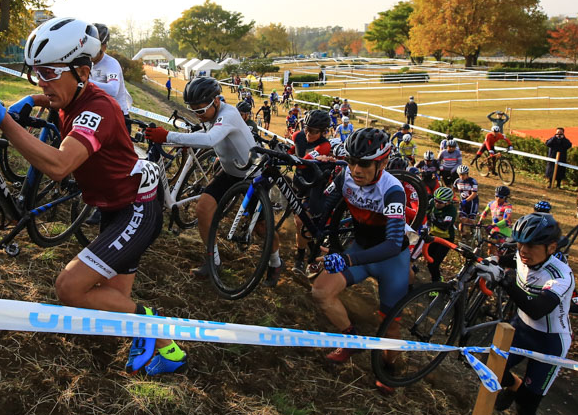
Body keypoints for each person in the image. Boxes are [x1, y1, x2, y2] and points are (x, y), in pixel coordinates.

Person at [0, 17, 186, 376]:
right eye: (34, 73)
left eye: (48, 73)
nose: (40, 82)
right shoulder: (71, 93)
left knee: (69, 288)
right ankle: (150, 333)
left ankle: (156, 331)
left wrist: (4, 119)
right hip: (118, 206)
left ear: (81, 71)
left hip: (136, 210)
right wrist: (25, 100)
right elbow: (51, 99)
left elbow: (61, 165)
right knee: (113, 301)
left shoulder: (99, 108)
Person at [145, 77, 279, 284]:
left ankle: (275, 262)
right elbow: (205, 132)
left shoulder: (230, 114)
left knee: (262, 228)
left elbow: (210, 140)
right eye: (193, 110)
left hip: (253, 174)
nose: (198, 116)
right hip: (230, 172)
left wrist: (168, 136)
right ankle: (213, 260)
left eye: (200, 111)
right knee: (203, 209)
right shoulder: (210, 114)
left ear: (216, 101)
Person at [313, 129, 410, 392]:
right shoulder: (346, 175)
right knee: (321, 292)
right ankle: (350, 339)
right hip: (361, 249)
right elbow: (326, 205)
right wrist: (319, 233)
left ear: (383, 163)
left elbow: (391, 244)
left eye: (364, 164)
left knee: (388, 327)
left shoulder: (392, 190)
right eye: (352, 161)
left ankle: (389, 369)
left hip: (392, 261)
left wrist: (347, 258)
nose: (356, 169)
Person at [494, 213, 575, 415]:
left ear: (552, 247)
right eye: (519, 243)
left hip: (549, 342)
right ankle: (513, 384)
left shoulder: (562, 275)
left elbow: (537, 309)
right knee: (491, 365)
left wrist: (507, 284)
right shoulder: (521, 254)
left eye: (530, 245)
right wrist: (490, 261)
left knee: (528, 404)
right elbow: (507, 259)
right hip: (521, 328)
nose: (522, 250)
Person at [289, 109, 335, 273]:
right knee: (301, 223)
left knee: (301, 222)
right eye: (306, 128)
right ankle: (308, 245)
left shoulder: (324, 145)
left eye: (314, 131)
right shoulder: (297, 136)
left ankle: (300, 258)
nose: (308, 133)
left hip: (314, 186)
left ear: (323, 132)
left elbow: (303, 162)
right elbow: (292, 151)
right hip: (299, 183)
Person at [89, 24, 133, 124]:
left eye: (94, 48)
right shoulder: (88, 62)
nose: (90, 52)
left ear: (104, 47)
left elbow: (113, 90)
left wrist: (86, 82)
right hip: (98, 114)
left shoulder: (111, 64)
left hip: (118, 117)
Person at [426, 187, 459, 282]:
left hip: (445, 239)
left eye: (440, 202)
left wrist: (432, 219)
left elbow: (444, 226)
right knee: (429, 261)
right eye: (436, 200)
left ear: (448, 202)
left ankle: (436, 284)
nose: (437, 203)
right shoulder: (432, 202)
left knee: (434, 264)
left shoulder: (451, 210)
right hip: (433, 236)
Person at [486, 185, 515, 250]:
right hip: (494, 230)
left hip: (504, 232)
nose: (498, 199)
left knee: (500, 252)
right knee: (490, 249)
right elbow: (484, 213)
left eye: (501, 197)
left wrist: (494, 226)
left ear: (505, 198)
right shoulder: (491, 204)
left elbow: (506, 220)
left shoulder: (508, 207)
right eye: (496, 196)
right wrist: (479, 222)